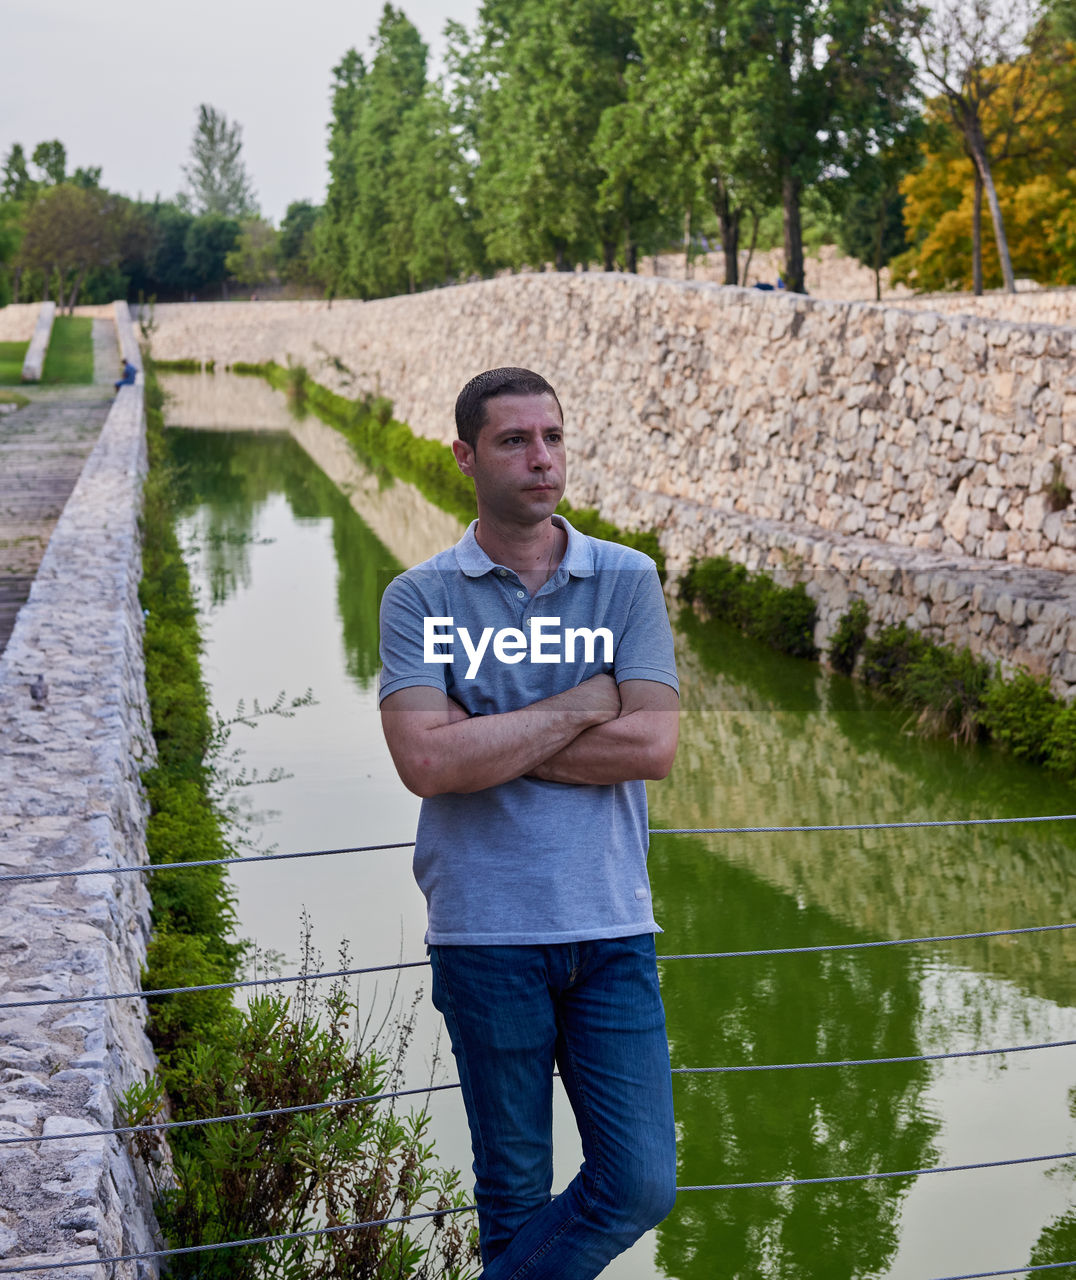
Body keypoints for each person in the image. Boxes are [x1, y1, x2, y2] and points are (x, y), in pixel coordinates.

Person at [378, 367, 680, 1279]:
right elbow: (425, 765)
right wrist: (586, 701)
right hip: (486, 931)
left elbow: (653, 748)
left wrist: (490, 742)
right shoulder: (420, 598)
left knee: (638, 1184)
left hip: (612, 924)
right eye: (514, 441)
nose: (540, 459)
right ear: (465, 456)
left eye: (551, 436)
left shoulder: (626, 579)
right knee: (512, 1199)